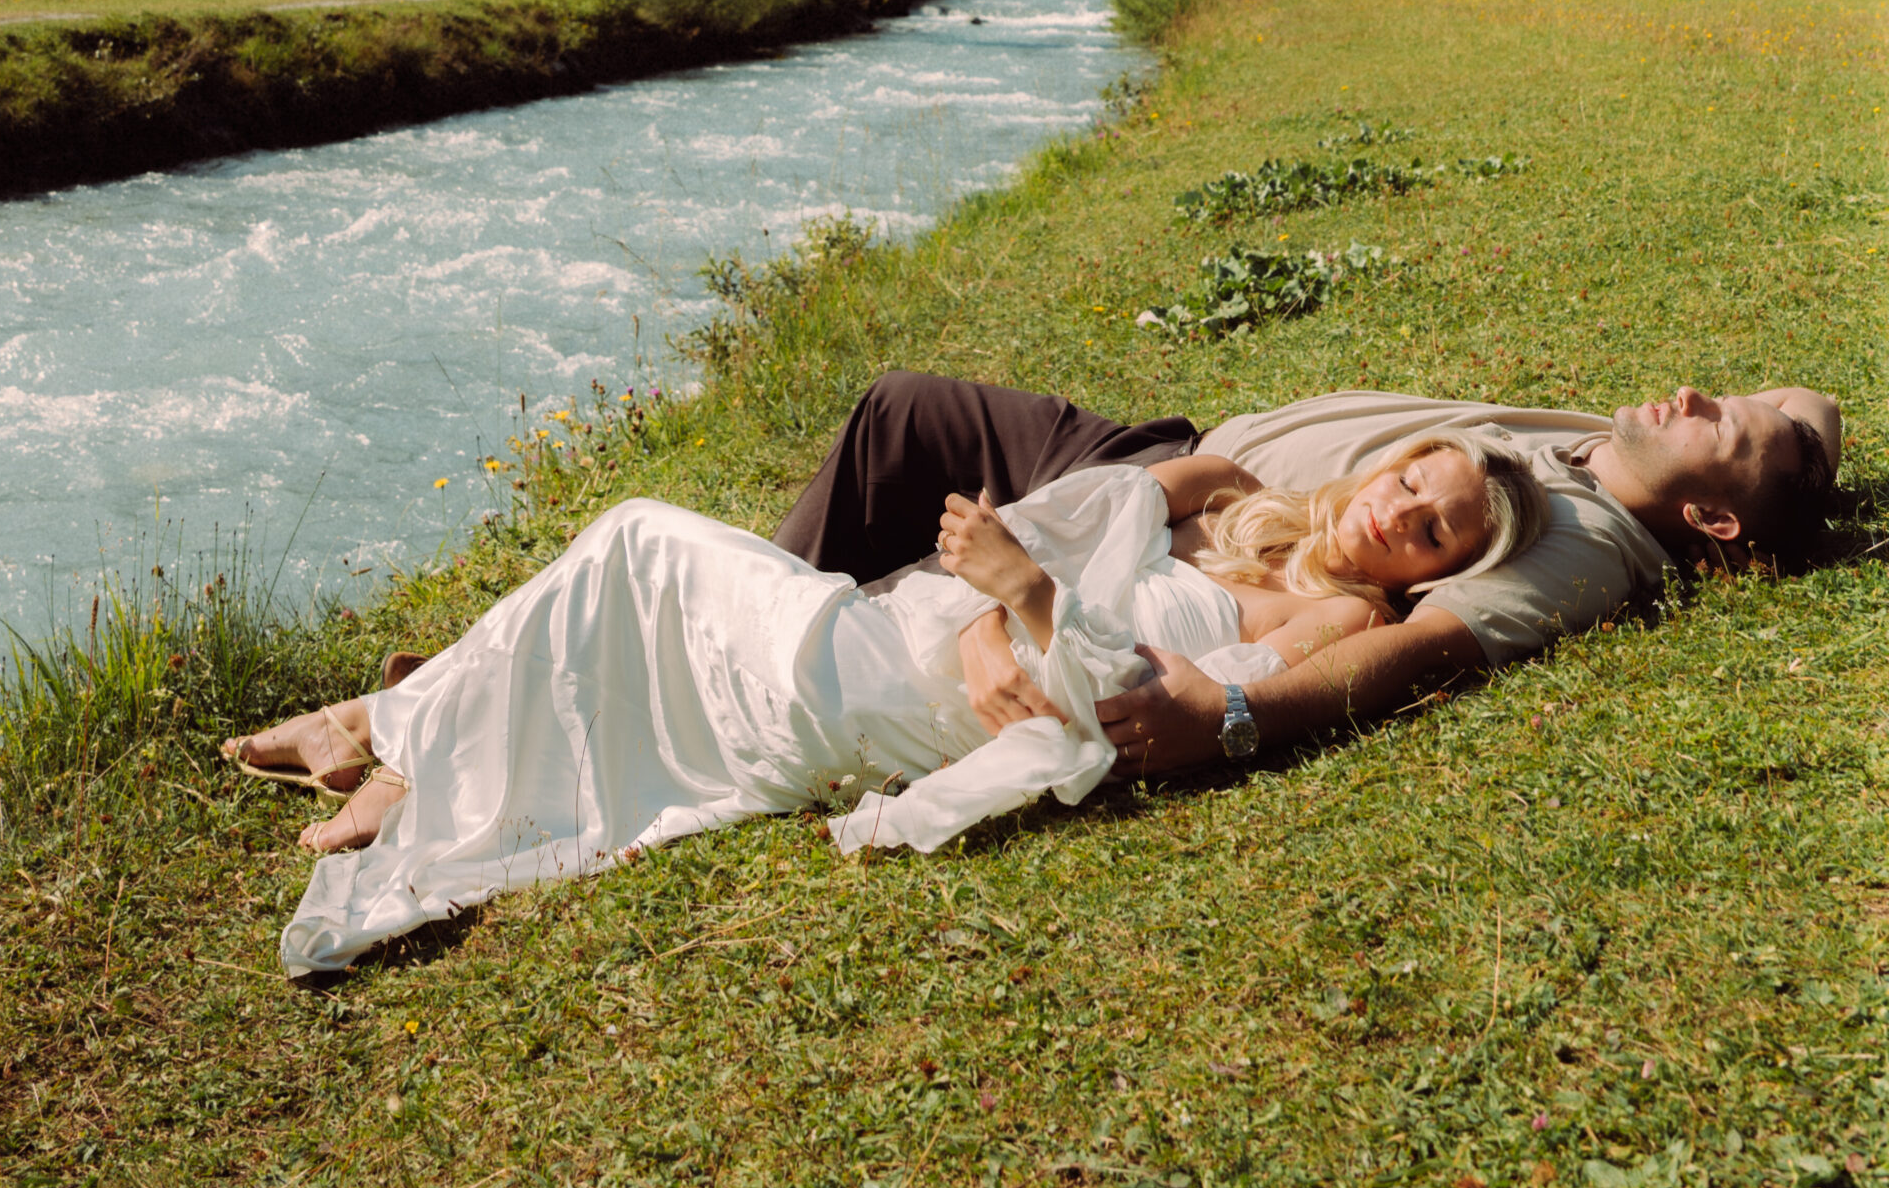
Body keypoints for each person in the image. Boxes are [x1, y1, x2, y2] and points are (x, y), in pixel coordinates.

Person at [226, 426, 1545, 976]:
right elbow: (1116, 499)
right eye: (1411, 481)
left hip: (937, 706)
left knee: (641, 539)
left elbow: (1162, 707)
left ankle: (390, 739)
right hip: (912, 636)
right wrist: (1003, 596)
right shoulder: (1242, 502)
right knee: (635, 572)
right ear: (1382, 463)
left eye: (1435, 531)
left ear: (1436, 569)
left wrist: (1025, 603)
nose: (1401, 515)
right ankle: (394, 734)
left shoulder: (1344, 618)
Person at [767, 369, 1843, 778]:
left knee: (904, 421)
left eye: (1720, 428)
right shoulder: (1605, 453)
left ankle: (780, 651)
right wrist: (1788, 443)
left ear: (1706, 514)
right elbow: (1810, 401)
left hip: (1165, 512)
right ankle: (803, 629)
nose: (1695, 392)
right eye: (1717, 396)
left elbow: (1419, 646)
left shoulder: (1588, 546)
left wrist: (1232, 715)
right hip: (1187, 475)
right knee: (902, 418)